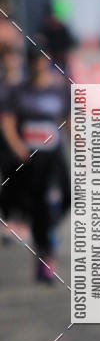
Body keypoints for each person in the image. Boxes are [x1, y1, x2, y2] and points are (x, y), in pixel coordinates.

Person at [0, 41, 70, 282]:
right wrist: (18, 147)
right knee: (40, 206)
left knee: (66, 198)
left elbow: (68, 121)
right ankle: (46, 257)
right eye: (33, 59)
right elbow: (7, 122)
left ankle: (47, 230)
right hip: (30, 159)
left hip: (54, 158)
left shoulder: (59, 90)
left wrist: (81, 144)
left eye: (41, 58)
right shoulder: (19, 91)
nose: (38, 64)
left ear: (47, 60)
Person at [0, 44, 27, 242]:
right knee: (7, 180)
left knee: (24, 181)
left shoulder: (25, 87)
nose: (10, 62)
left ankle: (22, 221)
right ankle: (8, 220)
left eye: (14, 58)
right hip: (4, 142)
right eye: (6, 58)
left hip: (25, 140)